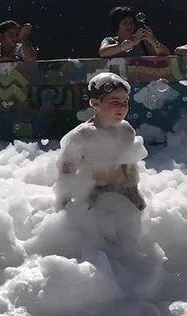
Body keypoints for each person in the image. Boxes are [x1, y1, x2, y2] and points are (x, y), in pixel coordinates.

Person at [55, 72, 147, 213]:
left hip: (119, 192)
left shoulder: (126, 131)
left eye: (125, 102)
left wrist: (134, 193)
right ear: (95, 103)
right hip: (90, 194)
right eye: (115, 102)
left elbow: (129, 167)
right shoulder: (82, 136)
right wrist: (64, 203)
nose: (122, 108)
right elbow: (67, 170)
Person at [99, 6, 170, 58]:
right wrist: (131, 43)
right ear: (117, 26)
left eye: (131, 22)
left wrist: (154, 42)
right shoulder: (110, 41)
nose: (129, 25)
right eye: (125, 23)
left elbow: (166, 55)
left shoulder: (143, 41)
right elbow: (103, 52)